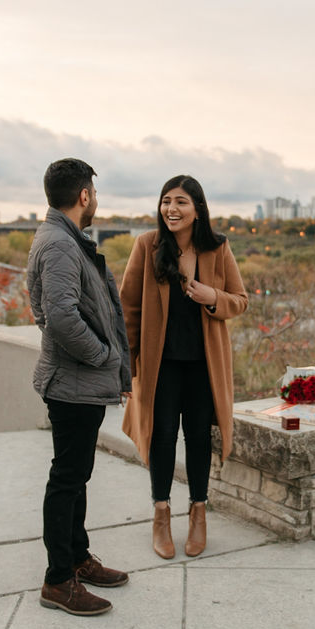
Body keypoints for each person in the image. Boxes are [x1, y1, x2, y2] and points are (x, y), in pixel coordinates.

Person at [120, 175, 248, 559]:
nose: (171, 209)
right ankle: (161, 515)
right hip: (160, 364)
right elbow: (128, 309)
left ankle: (198, 513)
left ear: (198, 210)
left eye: (181, 203)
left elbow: (240, 300)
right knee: (160, 438)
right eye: (165, 202)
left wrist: (213, 298)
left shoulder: (218, 248)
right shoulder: (147, 246)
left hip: (203, 365)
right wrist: (126, 367)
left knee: (196, 438)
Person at [26, 158, 132, 616]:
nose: (95, 200)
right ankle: (58, 580)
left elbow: (43, 307)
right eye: (94, 192)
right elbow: (61, 315)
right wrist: (105, 357)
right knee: (67, 480)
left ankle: (77, 557)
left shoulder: (62, 238)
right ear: (85, 195)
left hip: (77, 382)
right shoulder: (61, 244)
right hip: (72, 385)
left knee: (77, 475)